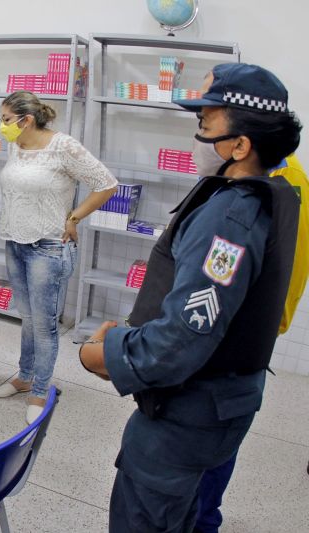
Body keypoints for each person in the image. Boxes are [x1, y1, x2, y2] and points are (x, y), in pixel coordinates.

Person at [79, 63, 302, 532]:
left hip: (187, 415)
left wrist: (102, 354)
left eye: (204, 125)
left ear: (240, 146)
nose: (195, 137)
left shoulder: (229, 218)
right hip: (223, 404)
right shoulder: (273, 193)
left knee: (149, 516)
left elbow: (180, 340)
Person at [193, 153, 309, 533]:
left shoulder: (279, 184)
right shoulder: (251, 181)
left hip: (229, 344)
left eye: (207, 121)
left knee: (211, 445)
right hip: (231, 339)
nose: (200, 137)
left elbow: (279, 273)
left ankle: (201, 521)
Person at [0, 91, 117, 424]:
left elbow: (106, 184)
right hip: (15, 243)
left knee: (44, 327)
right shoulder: (17, 145)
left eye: (6, 119)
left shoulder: (64, 146)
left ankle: (40, 390)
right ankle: (24, 376)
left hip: (49, 247)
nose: (2, 126)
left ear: (25, 120)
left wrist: (73, 218)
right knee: (27, 319)